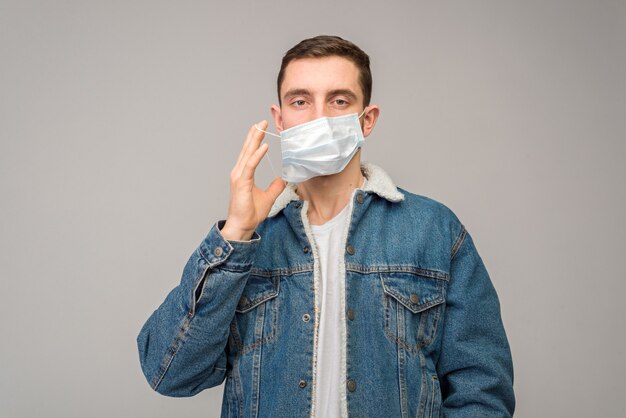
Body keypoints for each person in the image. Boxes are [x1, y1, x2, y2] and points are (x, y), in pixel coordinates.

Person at [137, 35, 515, 418]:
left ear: (366, 120)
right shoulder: (250, 239)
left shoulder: (434, 230)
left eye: (339, 101)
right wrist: (235, 234)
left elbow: (482, 390)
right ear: (280, 119)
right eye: (301, 101)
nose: (318, 117)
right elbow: (169, 373)